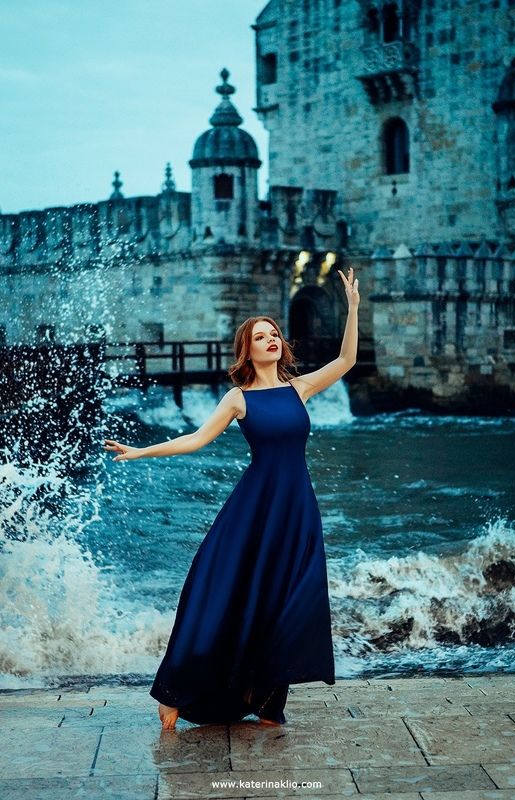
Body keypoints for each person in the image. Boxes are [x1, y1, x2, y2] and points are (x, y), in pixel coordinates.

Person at [104, 267, 359, 730]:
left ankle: (266, 700)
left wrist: (353, 309)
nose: (271, 340)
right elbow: (195, 440)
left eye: (275, 334)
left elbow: (345, 361)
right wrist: (142, 450)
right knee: (224, 594)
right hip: (255, 511)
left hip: (297, 511)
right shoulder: (238, 398)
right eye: (261, 337)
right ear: (248, 349)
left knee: (289, 599)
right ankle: (174, 692)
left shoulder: (299, 388)